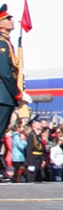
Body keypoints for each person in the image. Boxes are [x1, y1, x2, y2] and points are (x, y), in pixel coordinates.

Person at [0, 7, 23, 136]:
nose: (12, 21)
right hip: (3, 96)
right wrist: (17, 93)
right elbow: (4, 72)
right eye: (7, 19)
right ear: (1, 24)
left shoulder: (6, 42)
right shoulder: (2, 44)